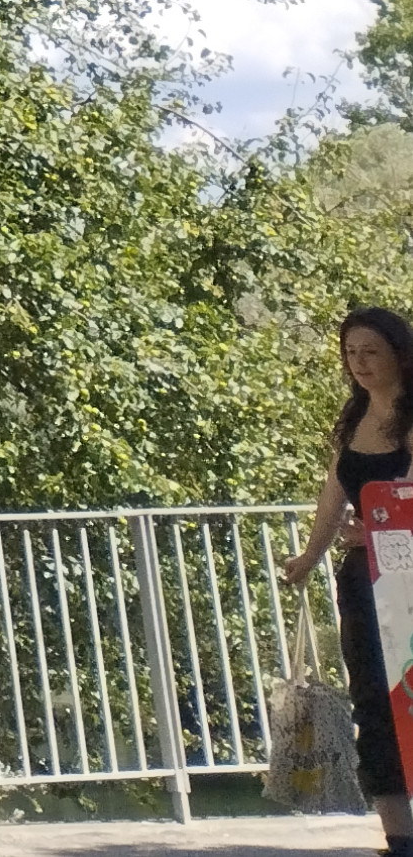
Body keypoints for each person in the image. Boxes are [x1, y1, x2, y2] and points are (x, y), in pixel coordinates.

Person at [285, 303, 413, 852]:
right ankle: (398, 836)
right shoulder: (355, 416)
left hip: (407, 579)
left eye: (371, 352)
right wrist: (309, 556)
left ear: (398, 355)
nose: (359, 363)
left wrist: (385, 523)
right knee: (374, 703)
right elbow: (335, 494)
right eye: (350, 353)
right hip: (363, 581)